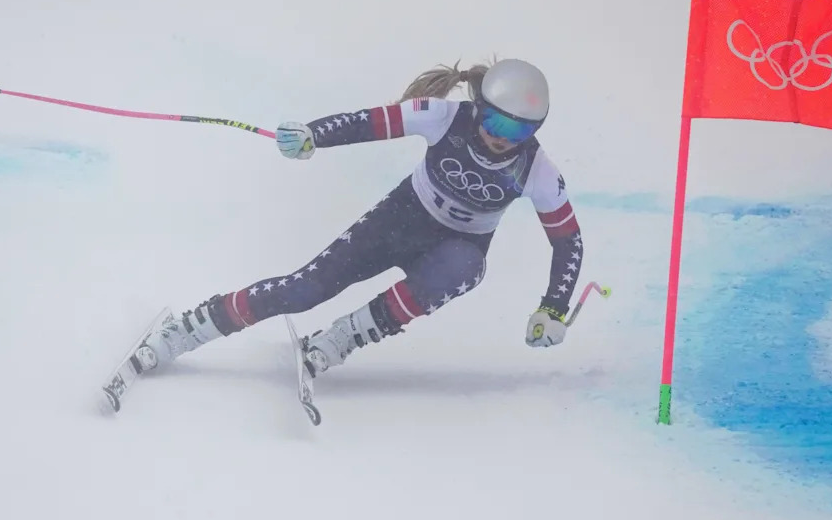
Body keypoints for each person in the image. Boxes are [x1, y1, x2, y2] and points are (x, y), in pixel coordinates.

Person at [132, 57, 585, 375]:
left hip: (457, 247)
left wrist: (553, 307)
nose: (504, 138)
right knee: (305, 289)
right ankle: (189, 329)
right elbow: (369, 122)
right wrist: (314, 135)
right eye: (497, 122)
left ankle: (340, 339)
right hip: (401, 219)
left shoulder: (538, 171)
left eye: (521, 130)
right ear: (479, 108)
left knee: (466, 267)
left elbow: (568, 241)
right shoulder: (444, 116)